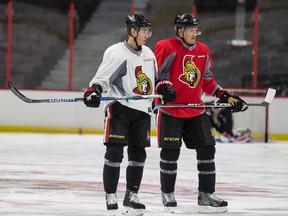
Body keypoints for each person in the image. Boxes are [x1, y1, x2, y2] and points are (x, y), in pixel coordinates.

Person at [153, 13, 248, 214]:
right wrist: (161, 87)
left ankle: (206, 194)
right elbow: (154, 74)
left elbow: (206, 80)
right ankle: (167, 192)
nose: (195, 33)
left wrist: (225, 95)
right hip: (170, 110)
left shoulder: (203, 50)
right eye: (190, 30)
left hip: (195, 109)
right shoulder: (166, 47)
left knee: (207, 148)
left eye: (196, 29)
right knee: (171, 152)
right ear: (180, 31)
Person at [83, 14, 175, 216]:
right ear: (133, 31)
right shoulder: (117, 52)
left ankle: (131, 195)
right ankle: (111, 194)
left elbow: (156, 80)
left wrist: (164, 87)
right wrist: (93, 91)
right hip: (120, 109)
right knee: (115, 152)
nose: (147, 35)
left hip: (143, 112)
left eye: (148, 31)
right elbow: (102, 78)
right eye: (144, 31)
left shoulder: (149, 53)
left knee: (138, 154)